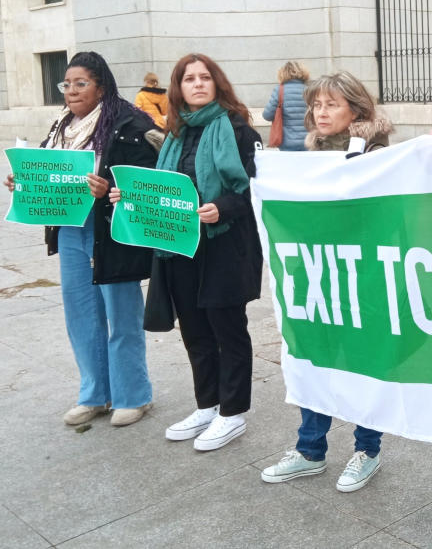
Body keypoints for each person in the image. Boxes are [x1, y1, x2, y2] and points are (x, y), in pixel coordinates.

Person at [114, 53, 263, 451]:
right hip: (180, 246)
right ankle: (207, 405)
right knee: (195, 330)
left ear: (217, 83)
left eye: (205, 77)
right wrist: (128, 197)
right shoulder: (175, 133)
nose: (198, 84)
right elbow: (162, 188)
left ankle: (232, 413)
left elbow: (256, 185)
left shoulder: (237, 129)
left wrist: (223, 207)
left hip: (224, 245)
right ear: (177, 88)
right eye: (188, 79)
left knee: (227, 329)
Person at [4, 51, 160, 427]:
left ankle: (133, 395)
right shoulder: (61, 125)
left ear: (100, 86)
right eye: (66, 84)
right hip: (71, 228)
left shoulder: (130, 122)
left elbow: (151, 177)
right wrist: (22, 181)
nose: (71, 91)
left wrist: (110, 186)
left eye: (80, 83)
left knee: (121, 313)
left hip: (112, 231)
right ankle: (95, 394)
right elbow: (46, 168)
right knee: (81, 313)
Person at [260, 70, 393, 492]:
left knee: (362, 362)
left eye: (331, 104)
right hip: (318, 274)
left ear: (355, 109)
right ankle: (309, 450)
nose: (320, 112)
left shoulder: (376, 152)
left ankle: (367, 450)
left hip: (363, 276)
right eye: (316, 104)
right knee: (313, 356)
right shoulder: (308, 153)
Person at [261, 60, 309, 150]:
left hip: (287, 142)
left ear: (282, 73)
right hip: (308, 141)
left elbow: (267, 115)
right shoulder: (310, 90)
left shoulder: (279, 91)